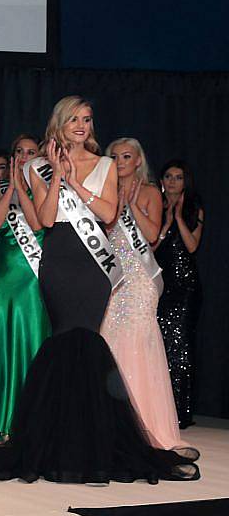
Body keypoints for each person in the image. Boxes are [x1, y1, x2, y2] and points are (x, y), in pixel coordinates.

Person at [0, 96, 198, 485]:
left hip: (91, 267)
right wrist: (55, 174)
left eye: (87, 119)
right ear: (60, 124)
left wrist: (73, 181)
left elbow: (107, 215)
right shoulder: (40, 167)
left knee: (88, 343)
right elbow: (48, 218)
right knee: (64, 341)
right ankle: (61, 439)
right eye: (74, 120)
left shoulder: (104, 164)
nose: (82, 125)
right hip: (58, 260)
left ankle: (91, 440)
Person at [100, 138, 187, 451]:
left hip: (139, 280)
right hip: (113, 277)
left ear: (138, 161)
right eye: (114, 156)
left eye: (126, 156)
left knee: (138, 344)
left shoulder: (150, 191)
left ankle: (146, 424)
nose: (120, 160)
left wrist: (131, 205)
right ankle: (113, 425)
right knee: (110, 344)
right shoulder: (103, 189)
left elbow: (151, 236)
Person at [0, 134, 49, 439]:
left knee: (32, 339)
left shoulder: (44, 187)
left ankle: (32, 418)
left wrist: (23, 189)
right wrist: (10, 187)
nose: (24, 157)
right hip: (4, 276)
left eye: (31, 152)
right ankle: (1, 417)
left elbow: (38, 224)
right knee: (0, 341)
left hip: (32, 275)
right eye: (19, 152)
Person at [154, 159, 203, 429]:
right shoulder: (154, 207)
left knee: (181, 349)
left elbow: (192, 246)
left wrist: (180, 218)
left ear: (186, 181)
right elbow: (150, 247)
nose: (173, 182)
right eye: (168, 176)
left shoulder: (195, 208)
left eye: (178, 177)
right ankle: (161, 409)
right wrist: (167, 221)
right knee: (160, 346)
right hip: (161, 285)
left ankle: (181, 412)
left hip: (186, 287)